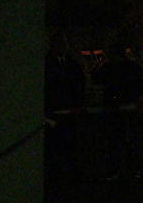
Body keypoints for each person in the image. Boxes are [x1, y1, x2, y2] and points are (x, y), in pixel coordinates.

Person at [91, 41, 143, 181]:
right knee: (123, 140)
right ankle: (129, 169)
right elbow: (141, 85)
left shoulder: (113, 68)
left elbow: (97, 79)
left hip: (118, 108)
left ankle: (120, 169)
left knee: (119, 140)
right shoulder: (129, 68)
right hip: (122, 108)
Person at [44, 32, 86, 195]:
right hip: (54, 113)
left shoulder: (70, 63)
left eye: (65, 43)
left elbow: (80, 82)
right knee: (54, 146)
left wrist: (78, 102)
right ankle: (56, 178)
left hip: (69, 112)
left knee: (71, 144)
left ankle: (71, 175)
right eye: (60, 44)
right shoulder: (49, 65)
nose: (64, 47)